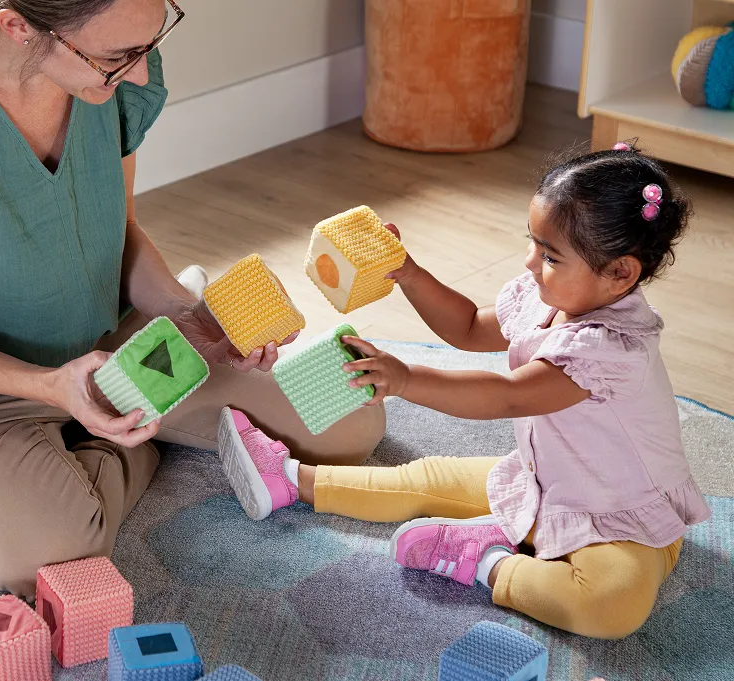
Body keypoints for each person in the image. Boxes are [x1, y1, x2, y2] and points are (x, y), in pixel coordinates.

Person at [0, 0, 384, 601]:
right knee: (47, 558)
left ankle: (112, 430)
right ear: (17, 25)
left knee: (350, 419)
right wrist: (51, 387)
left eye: (146, 47)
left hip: (113, 341)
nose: (139, 75)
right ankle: (123, 443)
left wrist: (185, 314)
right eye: (117, 59)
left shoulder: (113, 77)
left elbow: (119, 229)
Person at [219, 143, 710, 639]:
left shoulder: (611, 350)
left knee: (609, 607)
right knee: (424, 479)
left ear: (621, 272)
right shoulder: (553, 298)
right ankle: (288, 477)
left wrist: (407, 379)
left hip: (621, 517)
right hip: (547, 482)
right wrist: (407, 273)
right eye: (533, 244)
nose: (529, 264)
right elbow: (471, 327)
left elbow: (507, 395)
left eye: (550, 256)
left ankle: (487, 560)